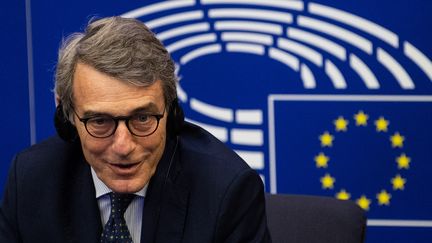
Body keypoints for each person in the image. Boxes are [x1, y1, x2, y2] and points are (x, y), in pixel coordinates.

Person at [0, 17, 271, 242]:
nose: (123, 146)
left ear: (172, 113)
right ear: (66, 115)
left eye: (142, 118)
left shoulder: (226, 191)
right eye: (100, 121)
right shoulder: (31, 180)